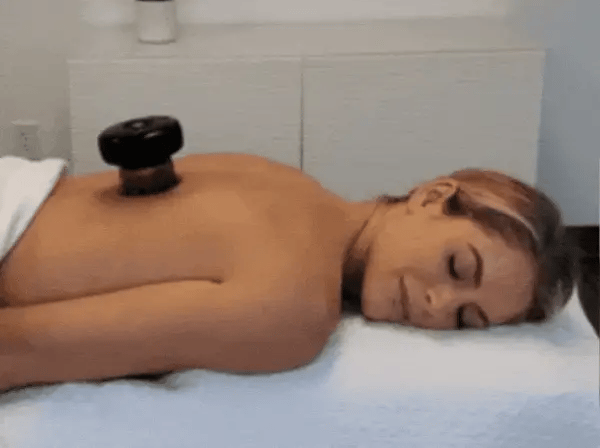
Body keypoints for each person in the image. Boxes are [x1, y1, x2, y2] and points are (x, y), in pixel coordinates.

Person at [0, 153, 577, 391]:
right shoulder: (294, 312)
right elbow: (15, 351)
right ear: (431, 197)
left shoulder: (284, 180)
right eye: (456, 266)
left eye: (465, 319)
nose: (436, 303)